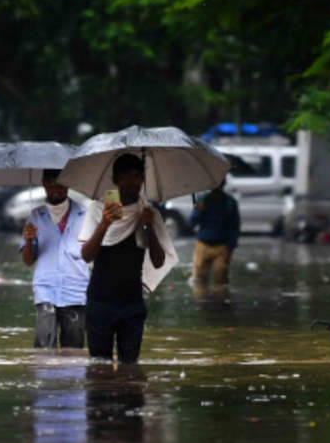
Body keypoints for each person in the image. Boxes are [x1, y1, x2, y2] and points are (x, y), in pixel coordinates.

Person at [78, 153, 177, 363]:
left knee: (130, 368)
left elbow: (158, 262)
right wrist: (105, 223)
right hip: (100, 302)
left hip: (132, 303)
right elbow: (86, 255)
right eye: (126, 176)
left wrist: (148, 226)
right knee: (99, 368)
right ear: (115, 179)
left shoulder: (149, 213)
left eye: (138, 176)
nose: (133, 182)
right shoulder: (97, 208)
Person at [20, 169, 91, 349]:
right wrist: (28, 241)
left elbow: (92, 253)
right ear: (44, 184)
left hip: (76, 288)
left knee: (73, 350)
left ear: (68, 184)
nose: (56, 188)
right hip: (46, 288)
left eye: (60, 183)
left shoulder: (85, 214)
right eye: (50, 183)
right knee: (44, 346)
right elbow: (28, 260)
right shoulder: (36, 216)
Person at [189, 178, 240, 287]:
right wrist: (198, 210)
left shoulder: (230, 202)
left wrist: (230, 247)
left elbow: (235, 227)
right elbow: (192, 222)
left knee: (220, 281)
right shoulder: (203, 200)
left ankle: (219, 302)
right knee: (199, 281)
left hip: (222, 247)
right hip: (203, 245)